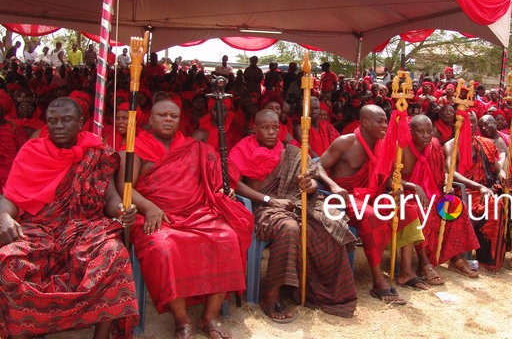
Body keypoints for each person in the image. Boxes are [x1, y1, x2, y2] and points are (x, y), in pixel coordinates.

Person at [0, 97, 138, 338]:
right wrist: (4, 217)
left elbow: (110, 198)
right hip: (39, 229)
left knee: (114, 253)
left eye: (66, 120)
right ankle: (27, 329)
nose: (59, 125)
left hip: (86, 229)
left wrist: (122, 210)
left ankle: (101, 335)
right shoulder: (32, 152)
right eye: (53, 121)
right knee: (8, 262)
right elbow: (9, 197)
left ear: (81, 123)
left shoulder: (96, 154)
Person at [118, 98, 253, 339]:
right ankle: (182, 321)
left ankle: (209, 317)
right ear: (151, 119)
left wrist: (222, 190)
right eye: (162, 115)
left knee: (227, 238)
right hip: (156, 216)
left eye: (174, 116)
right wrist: (148, 207)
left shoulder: (194, 147)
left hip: (197, 213)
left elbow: (213, 179)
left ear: (181, 121)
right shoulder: (136, 147)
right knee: (165, 247)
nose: (168, 119)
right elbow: (125, 187)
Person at [230, 109, 357, 321]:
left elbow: (312, 175)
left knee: (328, 221)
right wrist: (269, 200)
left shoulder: (292, 151)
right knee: (289, 228)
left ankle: (321, 290)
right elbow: (235, 183)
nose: (271, 132)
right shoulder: (243, 149)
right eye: (265, 128)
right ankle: (271, 295)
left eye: (275, 128)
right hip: (261, 207)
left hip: (293, 202)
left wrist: (311, 185)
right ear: (255, 129)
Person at [319, 105, 423, 305]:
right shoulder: (346, 142)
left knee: (407, 210)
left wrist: (396, 187)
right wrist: (332, 185)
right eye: (380, 121)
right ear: (365, 122)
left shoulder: (382, 144)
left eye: (386, 121)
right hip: (346, 198)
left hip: (373, 195)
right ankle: (378, 280)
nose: (385, 125)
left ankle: (407, 272)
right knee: (372, 215)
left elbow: (384, 175)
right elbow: (317, 166)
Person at [445, 112, 512, 276]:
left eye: (474, 122)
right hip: (466, 191)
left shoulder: (485, 143)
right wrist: (477, 186)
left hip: (489, 188)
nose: (472, 125)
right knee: (493, 205)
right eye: (468, 122)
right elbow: (451, 172)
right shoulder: (451, 145)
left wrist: (504, 179)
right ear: (458, 124)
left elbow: (498, 169)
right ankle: (487, 259)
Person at [401, 115, 480, 282]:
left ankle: (457, 259)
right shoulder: (401, 147)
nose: (425, 136)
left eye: (429, 131)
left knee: (456, 208)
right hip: (409, 195)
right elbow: (389, 178)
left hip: (433, 193)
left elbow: (440, 174)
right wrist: (414, 187)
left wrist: (447, 185)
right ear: (411, 131)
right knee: (418, 212)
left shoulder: (435, 146)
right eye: (420, 132)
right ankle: (424, 263)